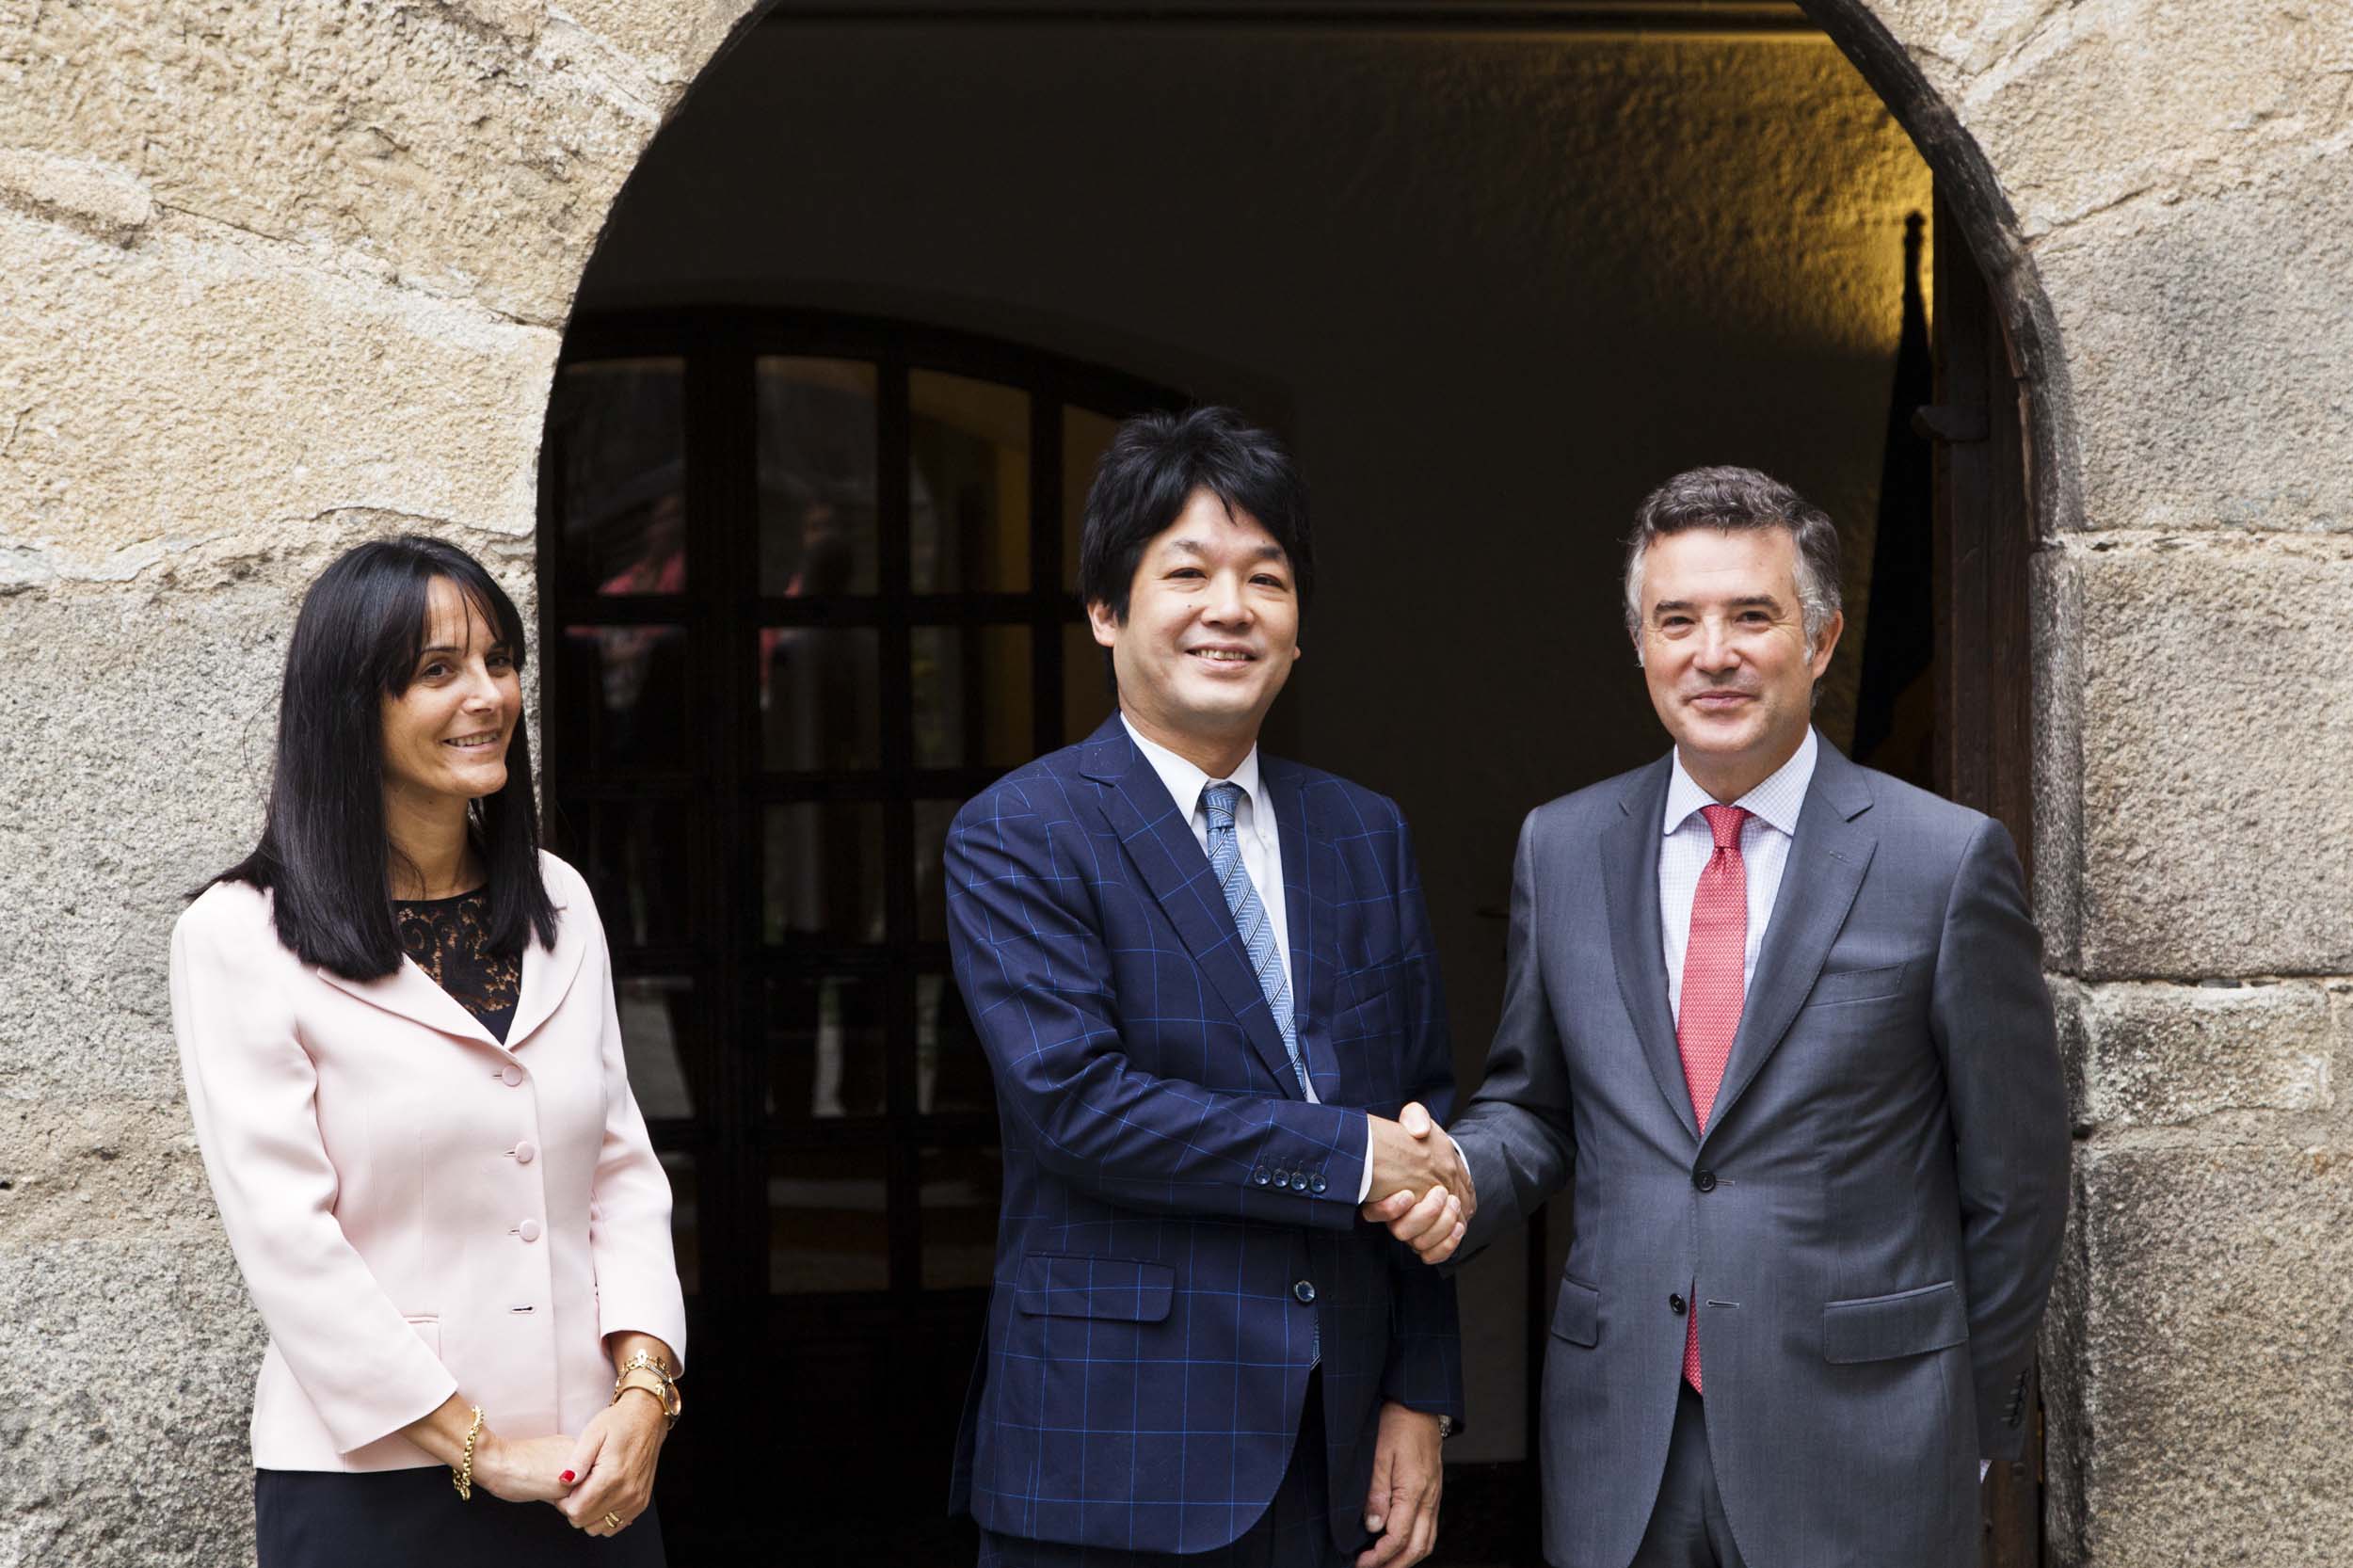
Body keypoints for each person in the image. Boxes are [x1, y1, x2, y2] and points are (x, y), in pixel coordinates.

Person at [1368, 467, 2070, 1568]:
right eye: (1676, 620)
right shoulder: (1562, 845)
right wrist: (1457, 1169)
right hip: (1623, 1445)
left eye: (1751, 615)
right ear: (1639, 646)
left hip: (1869, 1446)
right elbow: (1536, 1106)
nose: (1713, 653)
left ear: (1821, 639)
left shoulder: (1942, 861)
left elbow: (2016, 1181)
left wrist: (1959, 1427)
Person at [943, 408, 1469, 1568]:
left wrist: (1421, 1391)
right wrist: (1349, 1156)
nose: (1230, 608)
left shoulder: (1363, 832)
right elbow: (1077, 1106)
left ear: (1298, 625)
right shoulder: (1022, 831)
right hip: (1115, 1450)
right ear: (1105, 609)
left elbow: (1420, 1126)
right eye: (1187, 573)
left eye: (1265, 579)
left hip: (1337, 1449)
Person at [170, 536, 688, 1566]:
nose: (487, 695)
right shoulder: (237, 934)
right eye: (437, 670)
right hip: (373, 1488)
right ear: (348, 705)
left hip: (592, 1475)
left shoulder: (559, 900)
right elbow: (289, 1241)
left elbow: (620, 1171)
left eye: (500, 661)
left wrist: (644, 1393)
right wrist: (483, 1450)